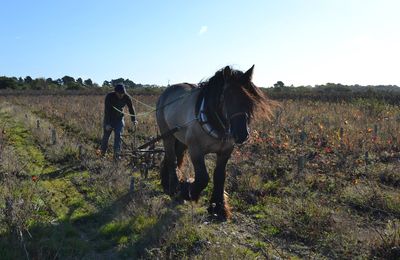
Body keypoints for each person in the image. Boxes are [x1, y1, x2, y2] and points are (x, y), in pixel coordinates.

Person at [101, 83, 137, 159]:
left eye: (123, 93)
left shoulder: (127, 97)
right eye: (119, 94)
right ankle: (102, 154)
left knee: (118, 136)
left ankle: (116, 156)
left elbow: (131, 108)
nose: (121, 95)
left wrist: (134, 120)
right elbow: (107, 111)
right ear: (115, 92)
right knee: (106, 137)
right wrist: (107, 124)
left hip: (119, 119)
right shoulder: (109, 96)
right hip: (109, 119)